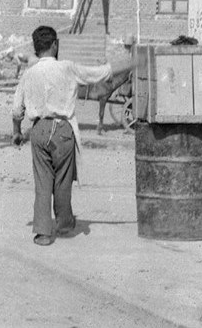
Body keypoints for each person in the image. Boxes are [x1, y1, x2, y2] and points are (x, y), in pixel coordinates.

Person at [11, 26, 137, 246]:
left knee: (43, 182)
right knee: (63, 179)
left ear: (35, 48)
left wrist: (16, 132)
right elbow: (100, 73)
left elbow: (16, 111)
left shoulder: (29, 73)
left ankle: (42, 232)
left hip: (39, 130)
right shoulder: (68, 68)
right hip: (63, 131)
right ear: (55, 45)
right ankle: (64, 224)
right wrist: (132, 62)